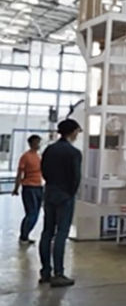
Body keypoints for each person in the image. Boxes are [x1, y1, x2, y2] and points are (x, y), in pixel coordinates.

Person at [38, 119, 82, 288]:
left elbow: (44, 171)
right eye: (77, 131)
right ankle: (59, 273)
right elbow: (75, 177)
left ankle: (45, 272)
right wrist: (70, 193)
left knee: (47, 232)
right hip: (65, 195)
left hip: (50, 192)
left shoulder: (49, 150)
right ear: (73, 132)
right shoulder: (74, 153)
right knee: (61, 234)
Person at [12, 135, 43, 244]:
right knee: (31, 213)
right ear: (30, 143)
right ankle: (23, 236)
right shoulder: (25, 157)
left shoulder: (38, 156)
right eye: (36, 142)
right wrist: (16, 188)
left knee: (36, 213)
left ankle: (25, 235)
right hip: (29, 187)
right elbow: (19, 174)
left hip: (38, 186)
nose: (38, 145)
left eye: (39, 142)